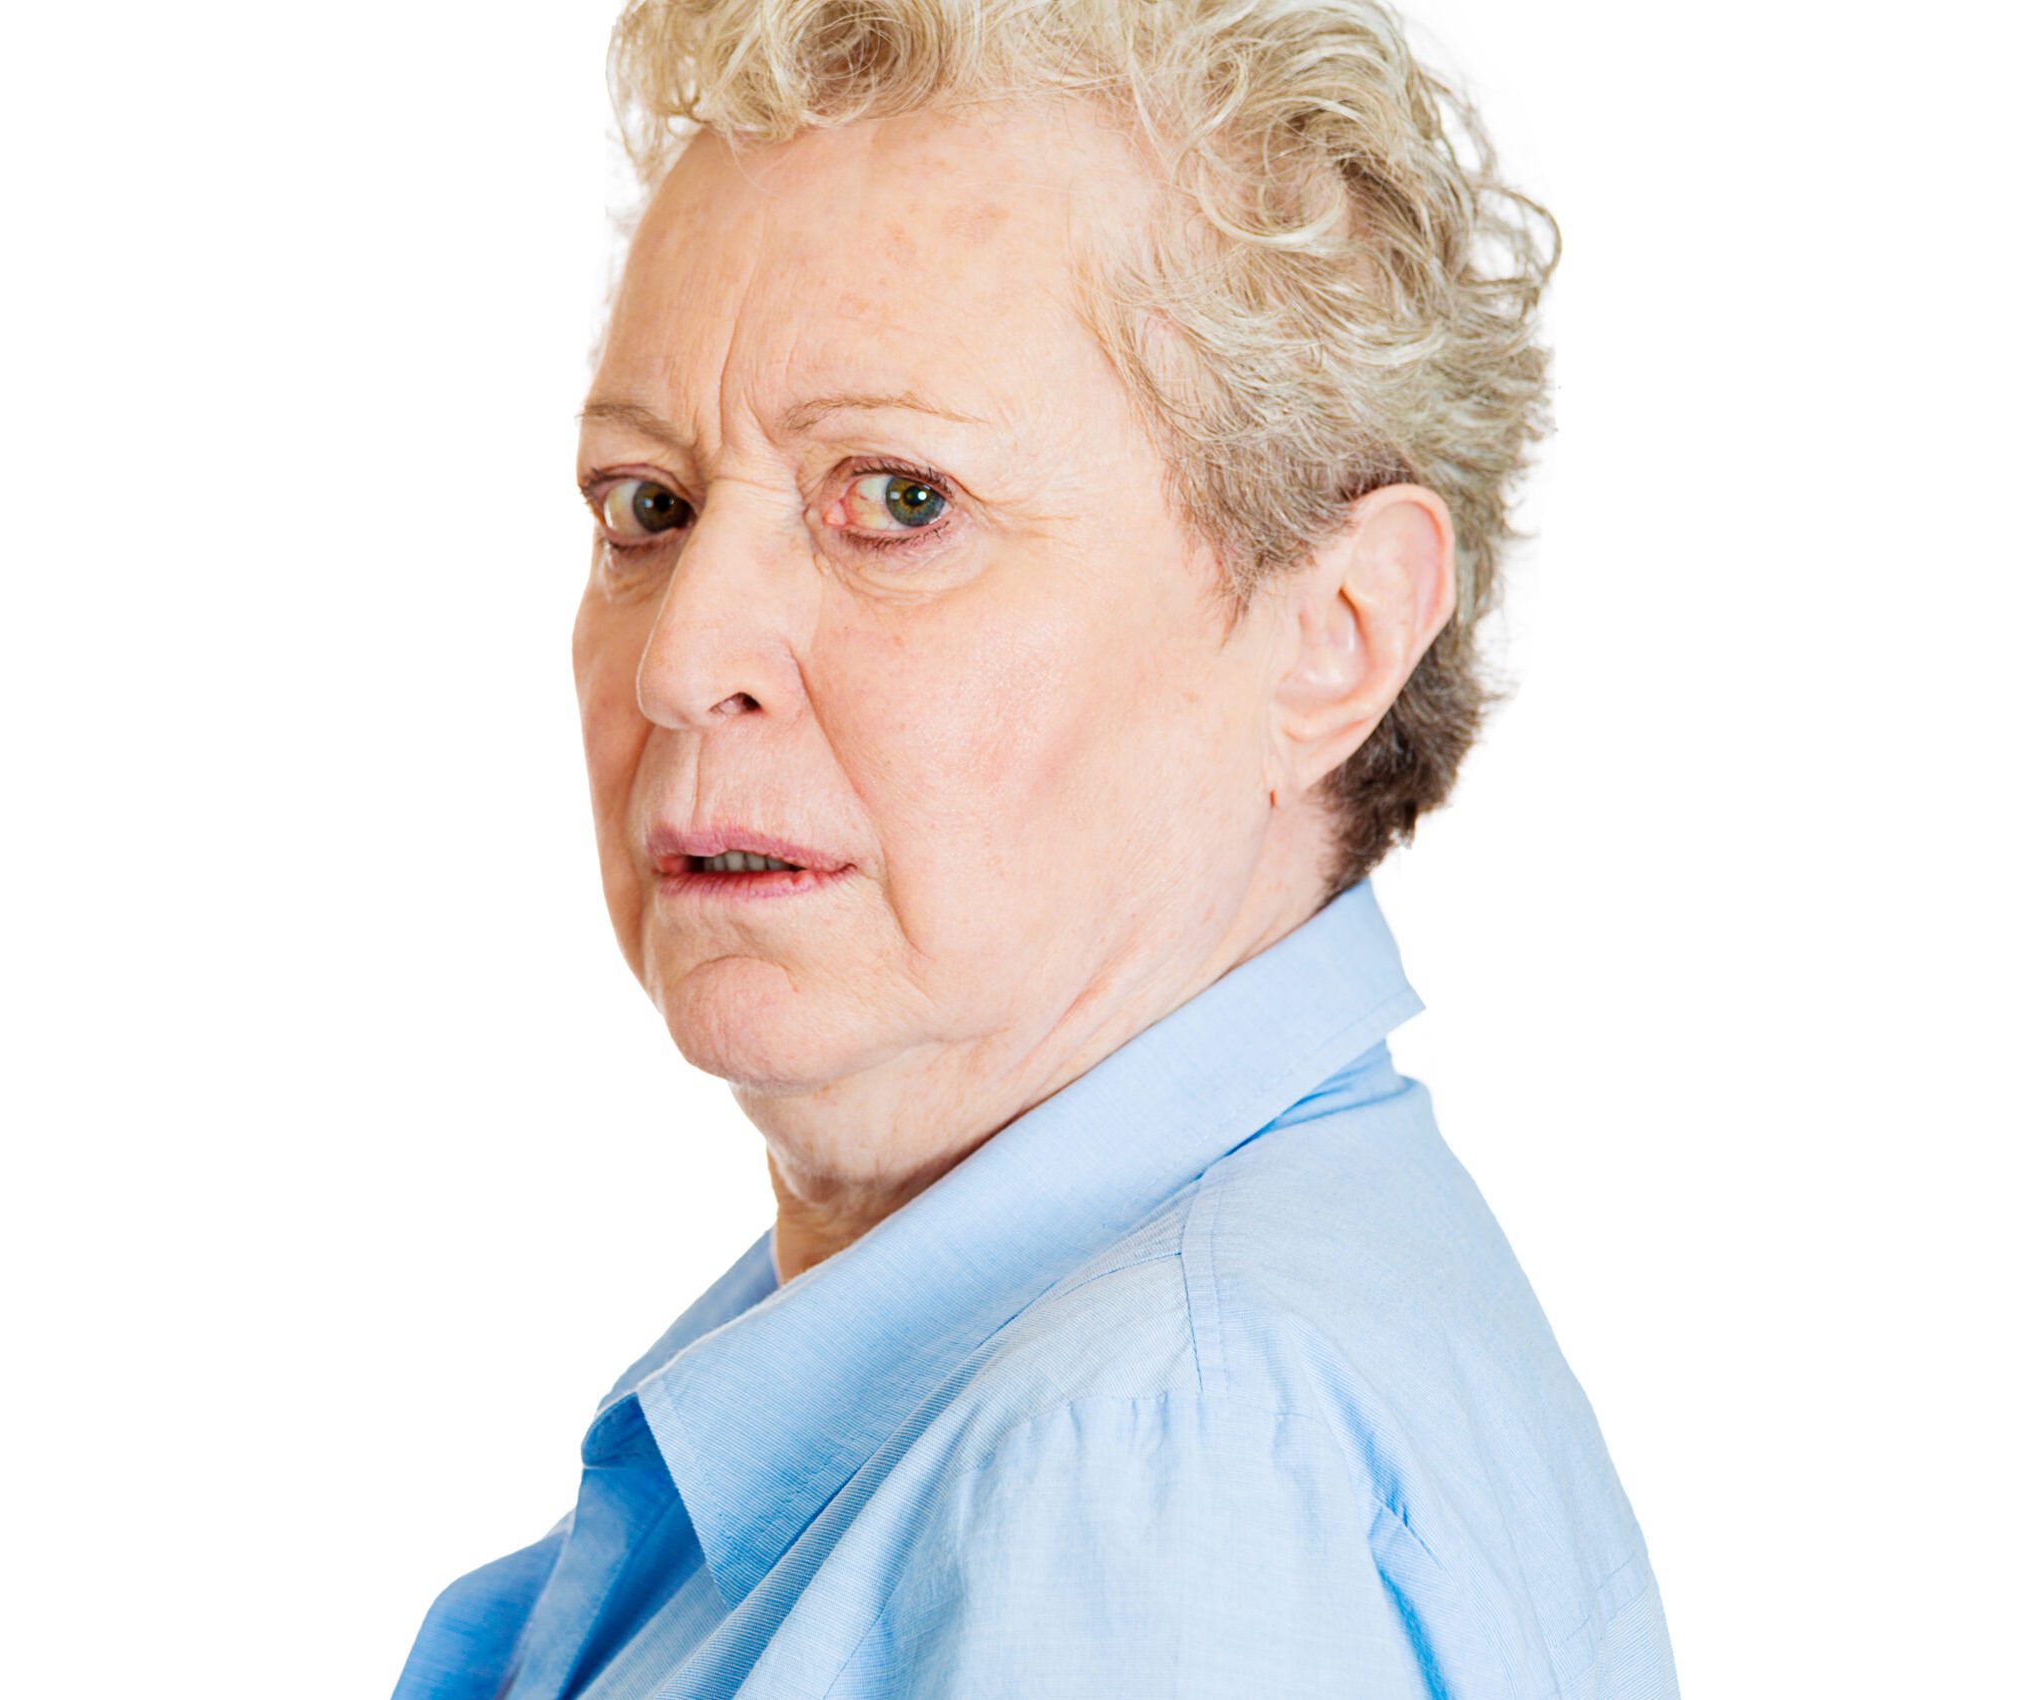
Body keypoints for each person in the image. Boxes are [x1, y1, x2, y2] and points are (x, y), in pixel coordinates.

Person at [396, 0, 1678, 1693]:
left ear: (1335, 634)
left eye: (902, 501)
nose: (683, 655)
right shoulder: (1142, 1368)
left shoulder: (1159, 1457)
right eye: (649, 504)